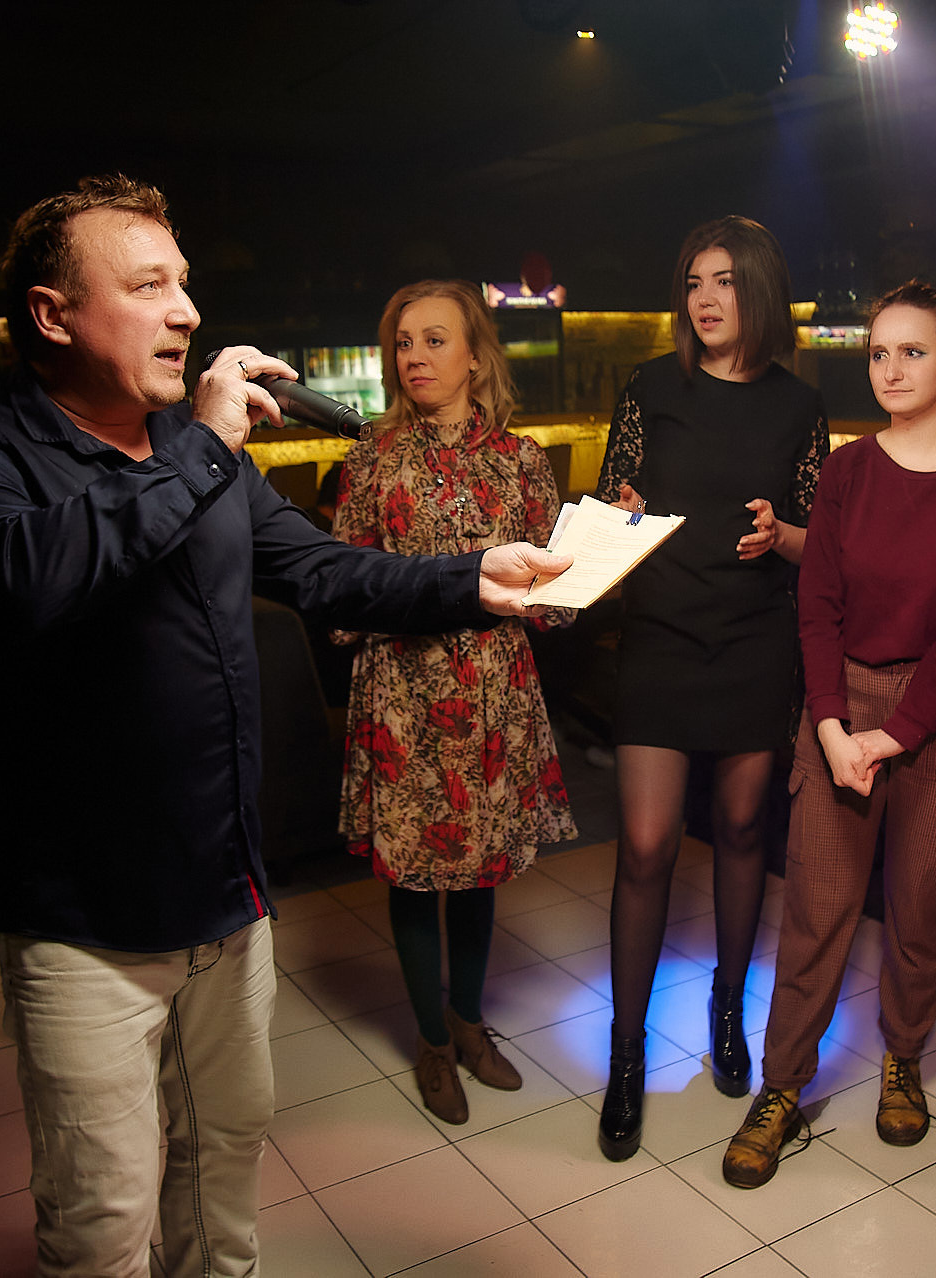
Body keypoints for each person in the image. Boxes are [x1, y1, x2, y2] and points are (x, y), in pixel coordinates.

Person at [0, 175, 567, 1277]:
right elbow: (28, 582)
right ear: (53, 315)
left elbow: (325, 569)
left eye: (185, 283)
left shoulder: (189, 449)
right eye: (148, 286)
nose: (187, 311)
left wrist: (469, 578)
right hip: (83, 925)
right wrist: (207, 444)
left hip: (228, 901)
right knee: (102, 1224)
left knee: (222, 1185)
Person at [721, 283, 936, 1187]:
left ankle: (903, 1057)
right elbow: (816, 605)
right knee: (817, 908)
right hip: (842, 704)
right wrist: (830, 724)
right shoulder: (849, 470)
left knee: (921, 907)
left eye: (913, 352)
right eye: (879, 353)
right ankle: (782, 1087)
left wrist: (897, 735)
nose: (891, 370)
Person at [593, 215, 828, 1161]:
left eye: (724, 280)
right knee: (648, 844)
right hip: (660, 636)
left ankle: (729, 1013)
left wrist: (782, 535)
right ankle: (624, 1054)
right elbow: (610, 503)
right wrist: (620, 510)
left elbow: (819, 542)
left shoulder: (799, 406)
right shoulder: (652, 386)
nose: (704, 297)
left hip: (753, 640)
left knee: (739, 831)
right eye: (693, 280)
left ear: (758, 289)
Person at [331, 280, 577, 1124]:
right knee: (412, 874)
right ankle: (433, 1042)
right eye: (404, 342)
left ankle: (470, 1024)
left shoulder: (522, 459)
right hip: (404, 694)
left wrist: (602, 547)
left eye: (435, 340)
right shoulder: (371, 457)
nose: (415, 357)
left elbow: (554, 597)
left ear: (475, 355)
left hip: (493, 695)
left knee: (479, 872)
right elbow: (341, 587)